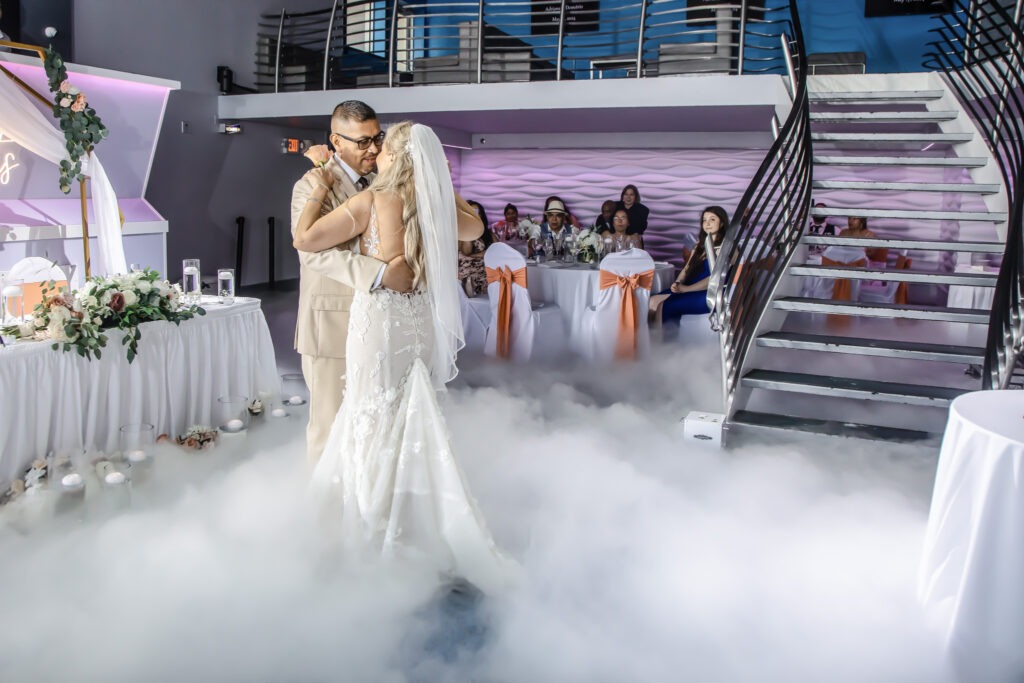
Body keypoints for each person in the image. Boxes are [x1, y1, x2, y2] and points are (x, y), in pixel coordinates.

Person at [293, 121, 514, 592]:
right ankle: (413, 520)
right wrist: (437, 182)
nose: (376, 154)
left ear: (395, 158)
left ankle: (371, 526)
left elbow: (305, 239)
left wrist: (319, 179)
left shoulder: (372, 201)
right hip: (419, 326)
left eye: (384, 149)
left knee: (369, 417)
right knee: (410, 415)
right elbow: (475, 227)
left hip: (381, 322)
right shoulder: (437, 208)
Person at [290, 100, 413, 465]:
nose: (374, 149)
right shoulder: (311, 184)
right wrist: (378, 274)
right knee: (329, 429)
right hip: (331, 323)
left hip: (376, 324)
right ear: (336, 141)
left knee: (372, 425)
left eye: (377, 139)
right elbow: (310, 253)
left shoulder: (383, 182)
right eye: (362, 142)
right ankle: (324, 515)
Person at [656, 206, 729, 322]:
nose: (707, 223)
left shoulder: (726, 247)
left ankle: (665, 338)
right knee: (651, 302)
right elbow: (687, 268)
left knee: (666, 305)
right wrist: (678, 283)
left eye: (712, 219)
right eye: (704, 220)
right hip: (691, 286)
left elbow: (715, 279)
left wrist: (686, 289)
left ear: (722, 224)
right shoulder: (700, 245)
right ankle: (651, 337)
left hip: (709, 292)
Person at [459, 200, 494, 296]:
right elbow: (467, 252)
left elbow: (498, 251)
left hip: (487, 273)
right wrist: (469, 226)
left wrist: (476, 255)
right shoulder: (464, 233)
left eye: (477, 212)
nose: (474, 214)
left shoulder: (489, 234)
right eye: (471, 212)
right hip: (470, 275)